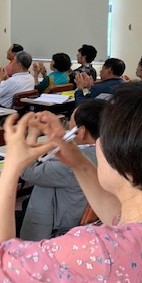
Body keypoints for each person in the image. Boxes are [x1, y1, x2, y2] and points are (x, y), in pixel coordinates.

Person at [0, 81, 142, 283]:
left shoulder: (96, 249)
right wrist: (77, 160)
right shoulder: (134, 232)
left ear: (124, 159)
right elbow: (118, 218)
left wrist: (11, 167)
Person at [19, 99, 107, 240]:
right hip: (81, 218)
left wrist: (32, 134)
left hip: (54, 230)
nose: (67, 126)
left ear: (81, 132)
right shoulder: (107, 151)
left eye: (69, 123)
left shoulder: (72, 163)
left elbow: (26, 170)